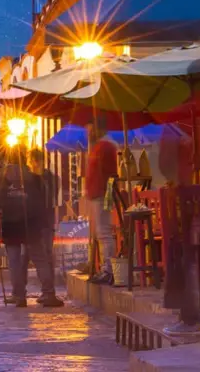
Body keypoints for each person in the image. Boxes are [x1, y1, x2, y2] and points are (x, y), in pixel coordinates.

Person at [0, 146, 59, 307]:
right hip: (32, 224)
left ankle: (19, 296)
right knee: (40, 259)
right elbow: (43, 202)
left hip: (11, 226)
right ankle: (48, 293)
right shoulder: (34, 178)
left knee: (14, 261)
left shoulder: (3, 181)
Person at [85, 117, 118, 285]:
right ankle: (104, 268)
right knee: (100, 233)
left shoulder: (106, 146)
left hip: (102, 195)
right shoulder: (97, 147)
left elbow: (110, 175)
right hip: (96, 195)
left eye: (90, 128)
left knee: (104, 233)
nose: (87, 132)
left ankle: (109, 269)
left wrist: (106, 196)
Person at [28, 149, 63, 306]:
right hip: (48, 221)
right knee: (47, 257)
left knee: (40, 258)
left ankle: (47, 292)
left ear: (34, 160)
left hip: (36, 223)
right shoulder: (54, 178)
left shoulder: (31, 179)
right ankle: (48, 291)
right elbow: (53, 198)